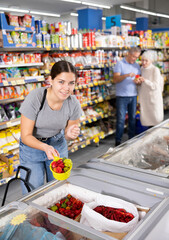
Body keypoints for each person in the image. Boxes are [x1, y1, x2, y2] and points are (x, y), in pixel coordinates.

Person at [19, 60, 82, 194]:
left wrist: (69, 135)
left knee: (59, 189)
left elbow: (67, 134)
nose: (66, 88)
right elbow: (25, 136)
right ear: (50, 80)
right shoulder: (36, 98)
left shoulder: (73, 103)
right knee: (33, 193)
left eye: (71, 83)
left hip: (57, 145)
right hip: (32, 149)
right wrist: (45, 147)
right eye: (61, 82)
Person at [113, 47, 142, 146]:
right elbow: (115, 79)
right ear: (129, 54)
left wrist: (138, 81)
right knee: (121, 119)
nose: (135, 59)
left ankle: (131, 139)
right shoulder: (120, 64)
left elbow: (137, 80)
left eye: (137, 57)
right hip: (122, 96)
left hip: (133, 95)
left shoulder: (137, 66)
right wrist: (126, 75)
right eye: (134, 56)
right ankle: (118, 141)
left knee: (132, 119)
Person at [137, 50, 164, 127]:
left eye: (146, 60)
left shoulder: (155, 70)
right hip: (145, 99)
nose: (144, 62)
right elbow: (141, 85)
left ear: (151, 61)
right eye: (142, 60)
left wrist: (145, 80)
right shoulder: (141, 69)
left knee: (155, 120)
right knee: (147, 122)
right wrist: (138, 82)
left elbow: (155, 85)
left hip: (153, 99)